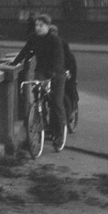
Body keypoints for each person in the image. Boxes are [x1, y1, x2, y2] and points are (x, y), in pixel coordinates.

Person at [10, 14, 67, 150]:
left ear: (47, 27)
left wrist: (53, 75)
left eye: (41, 25)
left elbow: (59, 59)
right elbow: (26, 51)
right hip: (41, 70)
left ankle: (59, 136)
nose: (38, 27)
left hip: (56, 73)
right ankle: (39, 117)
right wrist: (15, 62)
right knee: (38, 94)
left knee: (56, 104)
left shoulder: (55, 40)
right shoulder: (33, 38)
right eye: (36, 25)